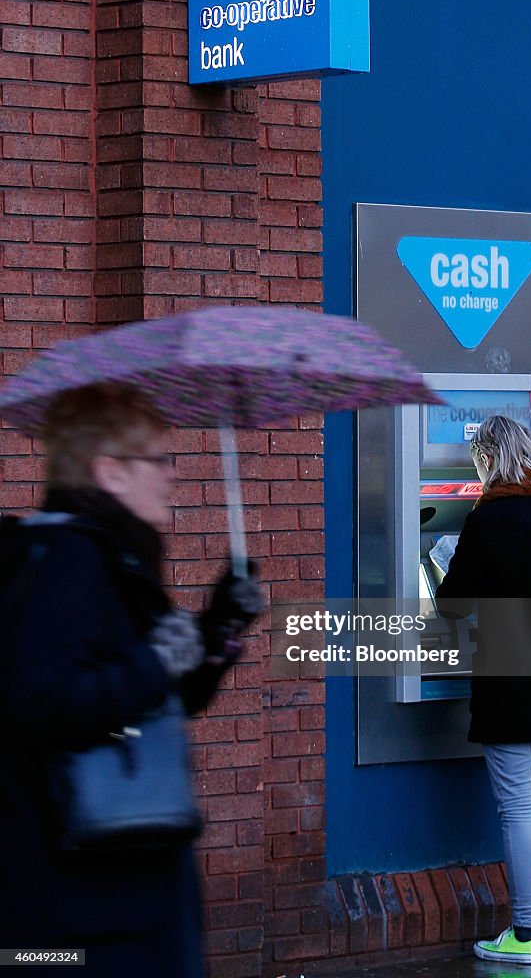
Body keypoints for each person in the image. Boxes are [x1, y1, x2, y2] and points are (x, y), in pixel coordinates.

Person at [0, 382, 263, 978]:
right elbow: (43, 703)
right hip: (77, 914)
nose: (171, 476)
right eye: (158, 461)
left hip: (116, 892)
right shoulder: (65, 562)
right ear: (110, 472)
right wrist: (156, 663)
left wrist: (219, 624)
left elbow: (168, 696)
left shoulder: (113, 559)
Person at [435, 415, 531, 966]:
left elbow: (451, 604)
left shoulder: (488, 521)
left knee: (519, 807)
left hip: (510, 680)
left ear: (488, 460)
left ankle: (522, 934)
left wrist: (448, 562)